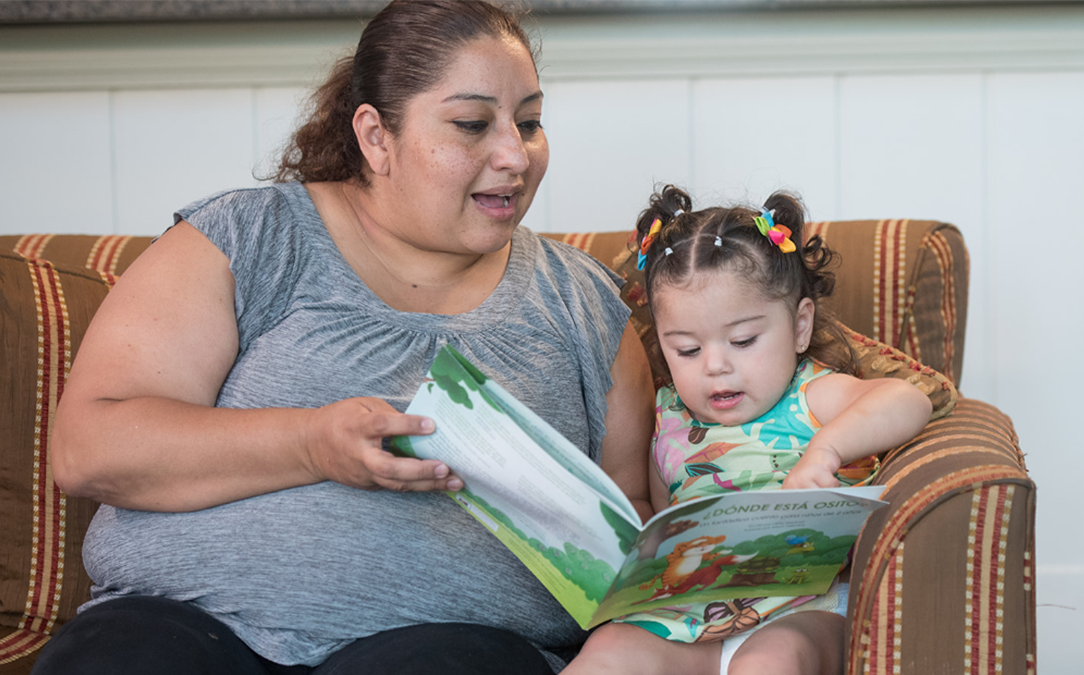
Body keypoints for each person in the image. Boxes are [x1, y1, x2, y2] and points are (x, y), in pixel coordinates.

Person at [37, 2, 654, 673]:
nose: (515, 154)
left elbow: (631, 532)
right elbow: (87, 448)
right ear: (375, 135)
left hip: (454, 649)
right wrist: (311, 444)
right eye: (472, 124)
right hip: (185, 629)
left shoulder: (585, 304)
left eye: (529, 122)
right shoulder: (250, 238)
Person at [563, 186, 933, 675]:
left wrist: (825, 451)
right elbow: (662, 518)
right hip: (694, 620)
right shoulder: (669, 419)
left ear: (800, 326)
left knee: (770, 662)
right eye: (687, 350)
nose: (715, 366)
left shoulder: (811, 396)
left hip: (801, 610)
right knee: (608, 650)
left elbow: (910, 400)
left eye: (743, 340)